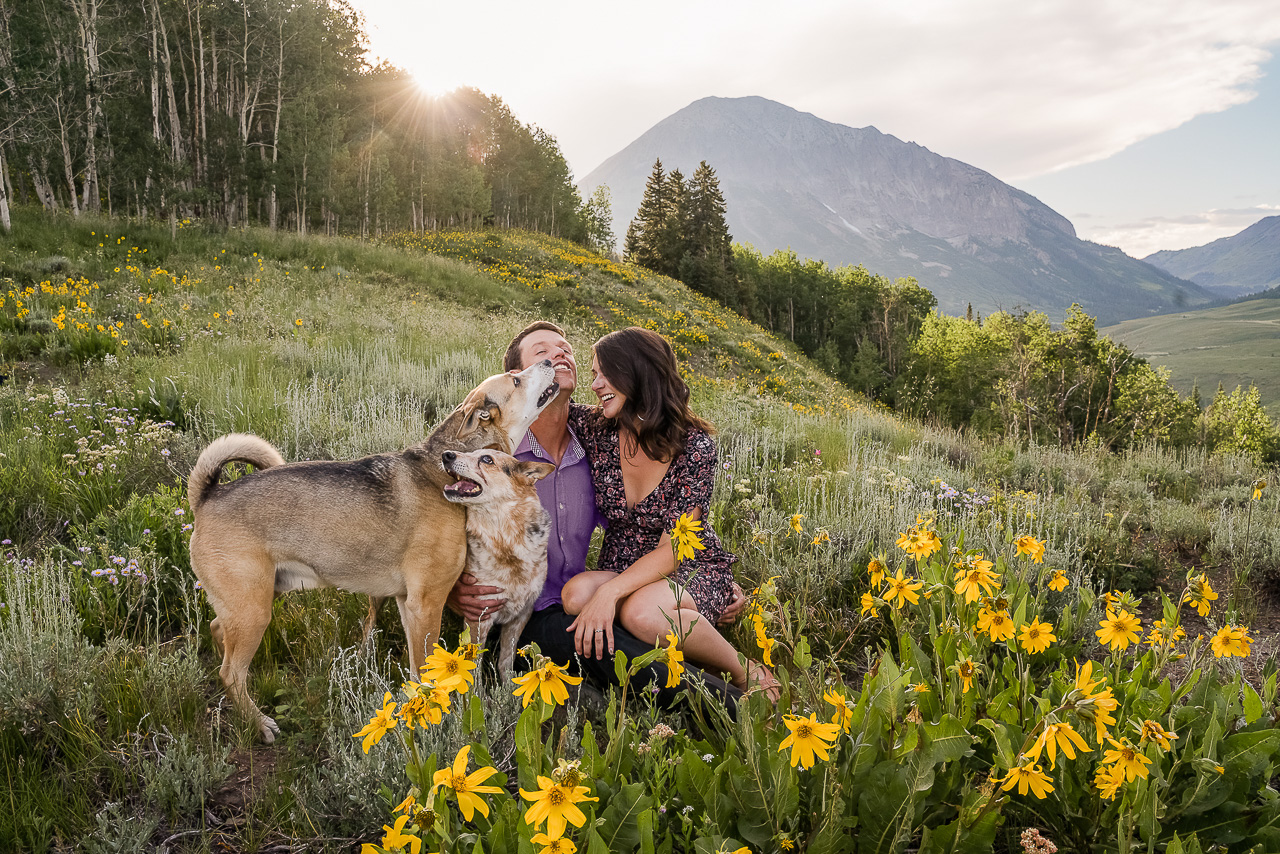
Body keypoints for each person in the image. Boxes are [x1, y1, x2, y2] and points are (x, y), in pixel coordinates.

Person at [446, 321, 750, 713]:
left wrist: (719, 581)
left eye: (566, 349)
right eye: (542, 352)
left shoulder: (596, 434)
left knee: (621, 628)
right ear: (518, 378)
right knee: (599, 631)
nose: (561, 356)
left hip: (634, 580)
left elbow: (681, 536)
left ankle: (730, 695)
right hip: (533, 607)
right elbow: (434, 520)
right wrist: (453, 589)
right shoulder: (493, 454)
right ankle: (725, 705)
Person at [562, 327, 778, 698]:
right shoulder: (596, 427)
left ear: (636, 372)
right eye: (593, 374)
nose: (595, 385)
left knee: (642, 614)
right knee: (576, 595)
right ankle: (672, 658)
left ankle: (743, 670)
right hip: (627, 566)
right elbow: (535, 409)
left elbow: (675, 548)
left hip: (686, 566)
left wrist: (611, 592)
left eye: (603, 373)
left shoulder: (694, 446)